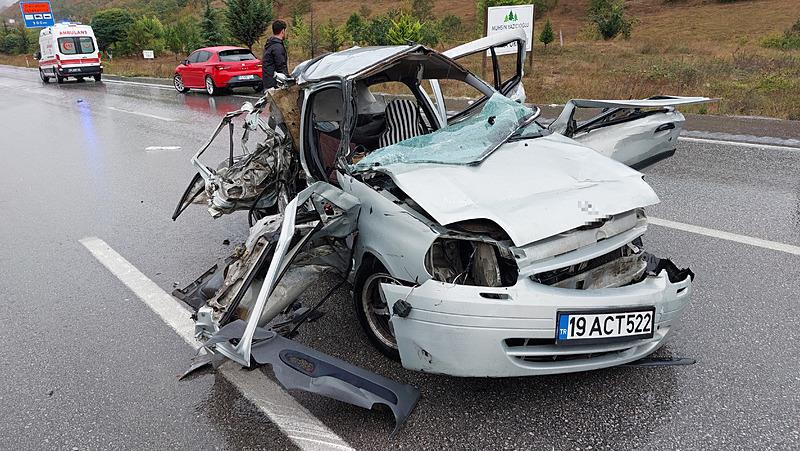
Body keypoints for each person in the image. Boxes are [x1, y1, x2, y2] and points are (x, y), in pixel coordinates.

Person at [261, 20, 288, 91]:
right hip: (275, 84)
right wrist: (287, 80)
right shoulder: (277, 47)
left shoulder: (270, 44)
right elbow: (281, 66)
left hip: (268, 82)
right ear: (282, 31)